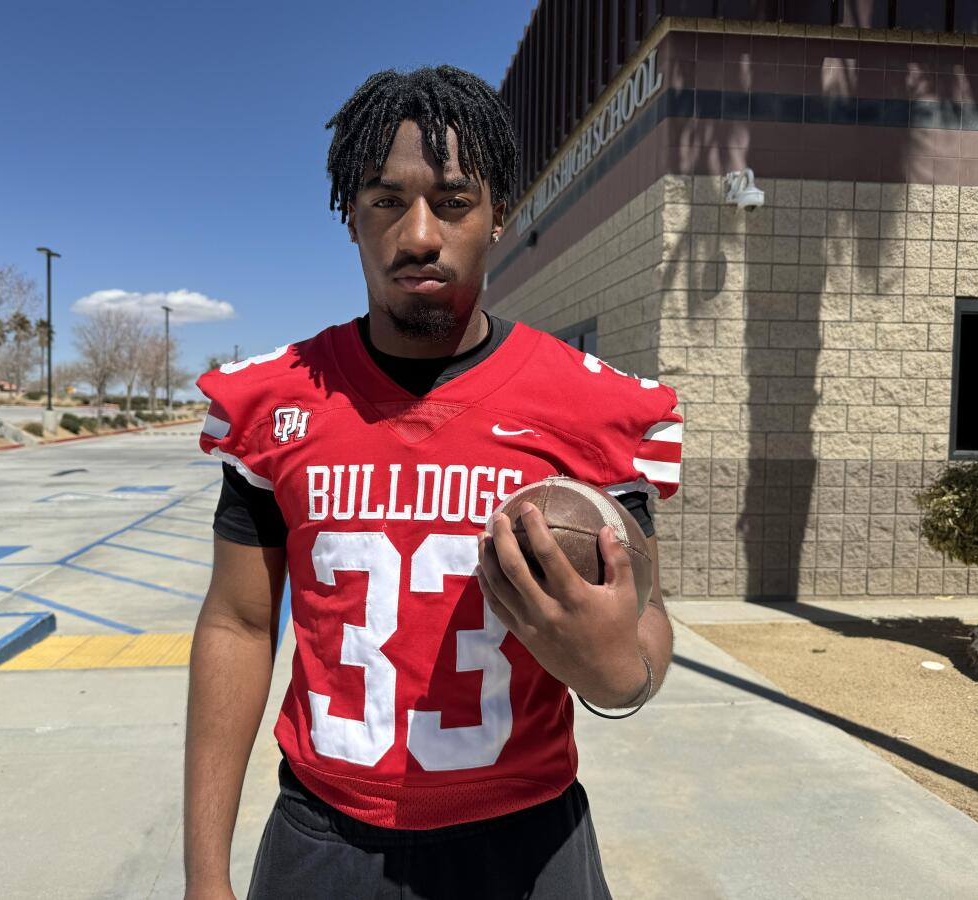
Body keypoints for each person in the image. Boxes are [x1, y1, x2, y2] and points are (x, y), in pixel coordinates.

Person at [184, 65, 683, 900]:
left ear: (499, 217)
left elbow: (646, 622)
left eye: (453, 202)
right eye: (386, 201)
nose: (419, 233)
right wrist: (205, 875)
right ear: (350, 216)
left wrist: (620, 673)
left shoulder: (593, 406)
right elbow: (237, 623)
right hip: (324, 833)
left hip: (527, 838)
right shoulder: (272, 400)